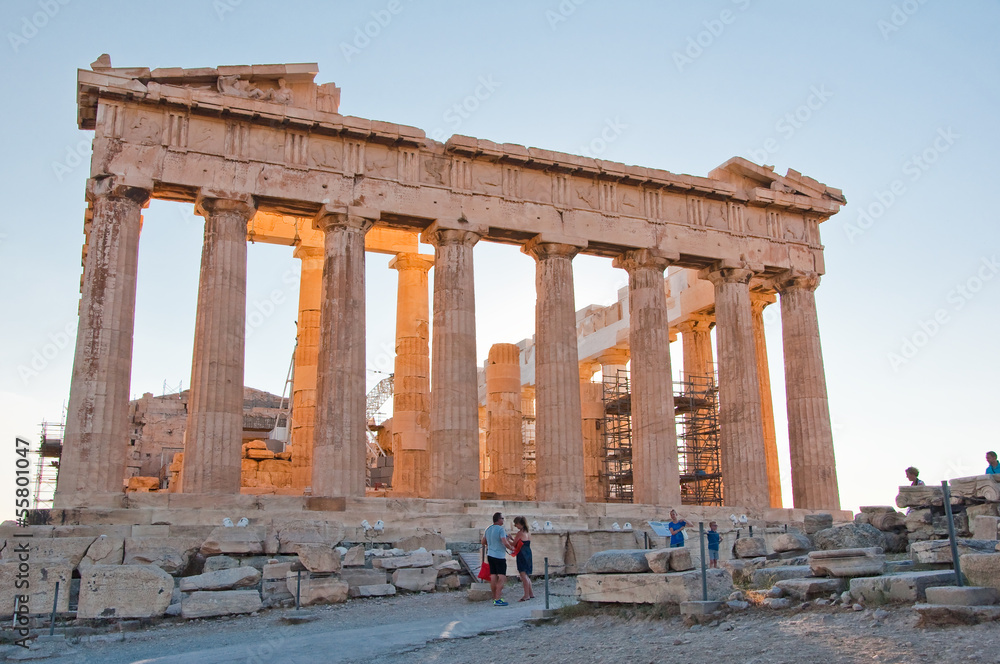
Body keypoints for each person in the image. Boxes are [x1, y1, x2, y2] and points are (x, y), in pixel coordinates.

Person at [481, 512, 512, 606]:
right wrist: (511, 548)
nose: (503, 520)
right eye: (502, 518)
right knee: (502, 577)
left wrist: (491, 545)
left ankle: (494, 597)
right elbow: (504, 542)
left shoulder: (488, 528)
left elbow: (483, 542)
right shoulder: (501, 529)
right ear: (498, 519)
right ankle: (498, 599)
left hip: (490, 554)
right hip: (499, 556)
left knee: (493, 576)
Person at [511, 516, 535, 602]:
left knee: (523, 574)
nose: (515, 526)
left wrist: (506, 540)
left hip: (522, 554)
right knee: (526, 574)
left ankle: (526, 595)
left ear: (520, 524)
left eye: (516, 524)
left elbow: (514, 544)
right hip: (528, 552)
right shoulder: (528, 532)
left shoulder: (520, 533)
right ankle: (530, 593)